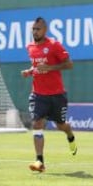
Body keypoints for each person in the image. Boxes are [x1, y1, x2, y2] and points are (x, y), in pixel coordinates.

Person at [21, 17, 77, 173]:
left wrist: (50, 67)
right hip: (38, 94)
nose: (35, 31)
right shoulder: (30, 47)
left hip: (57, 95)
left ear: (45, 30)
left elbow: (69, 64)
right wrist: (29, 71)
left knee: (61, 125)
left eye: (38, 29)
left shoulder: (54, 45)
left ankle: (70, 135)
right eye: (33, 29)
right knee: (37, 123)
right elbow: (37, 66)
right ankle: (40, 161)